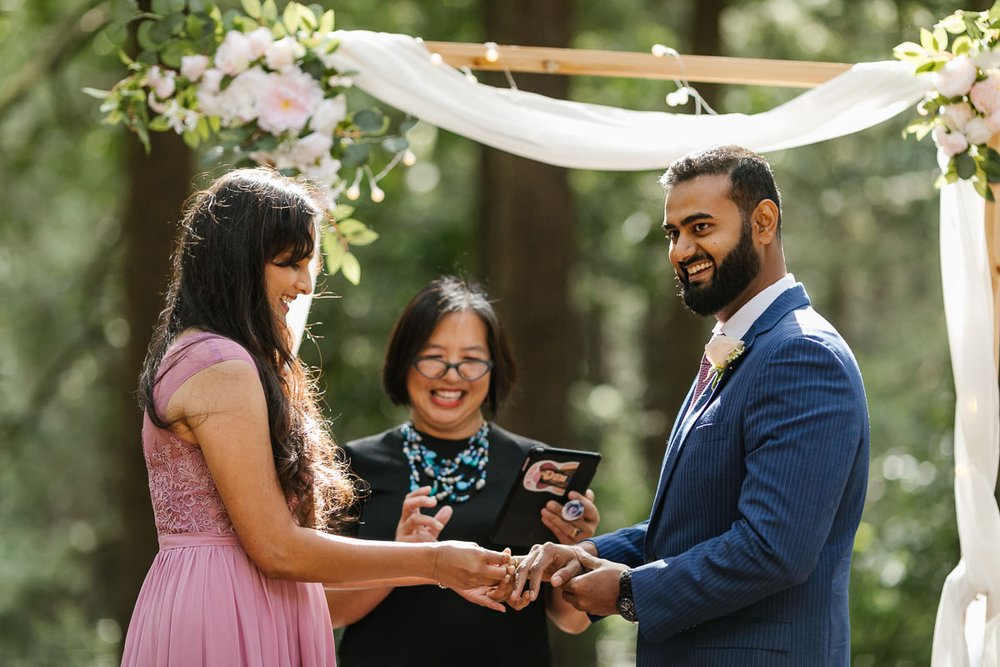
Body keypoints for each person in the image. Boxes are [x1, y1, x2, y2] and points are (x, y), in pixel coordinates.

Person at [121, 169, 511, 666]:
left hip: (236, 599)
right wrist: (434, 562)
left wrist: (421, 563)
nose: (306, 284)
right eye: (291, 263)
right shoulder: (222, 365)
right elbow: (277, 549)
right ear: (239, 261)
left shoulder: (197, 354)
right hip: (228, 611)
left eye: (310, 263)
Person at [512, 145, 870, 666]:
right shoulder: (743, 347)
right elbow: (698, 527)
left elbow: (773, 548)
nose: (681, 250)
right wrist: (590, 554)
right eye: (672, 233)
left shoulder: (801, 353)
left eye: (701, 228)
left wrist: (629, 592)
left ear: (763, 222)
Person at [326, 276, 600, 667]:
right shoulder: (353, 466)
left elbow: (571, 620)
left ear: (493, 370)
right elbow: (329, 611)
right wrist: (403, 557)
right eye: (434, 356)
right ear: (404, 361)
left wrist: (577, 549)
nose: (451, 375)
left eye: (470, 360)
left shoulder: (538, 469)